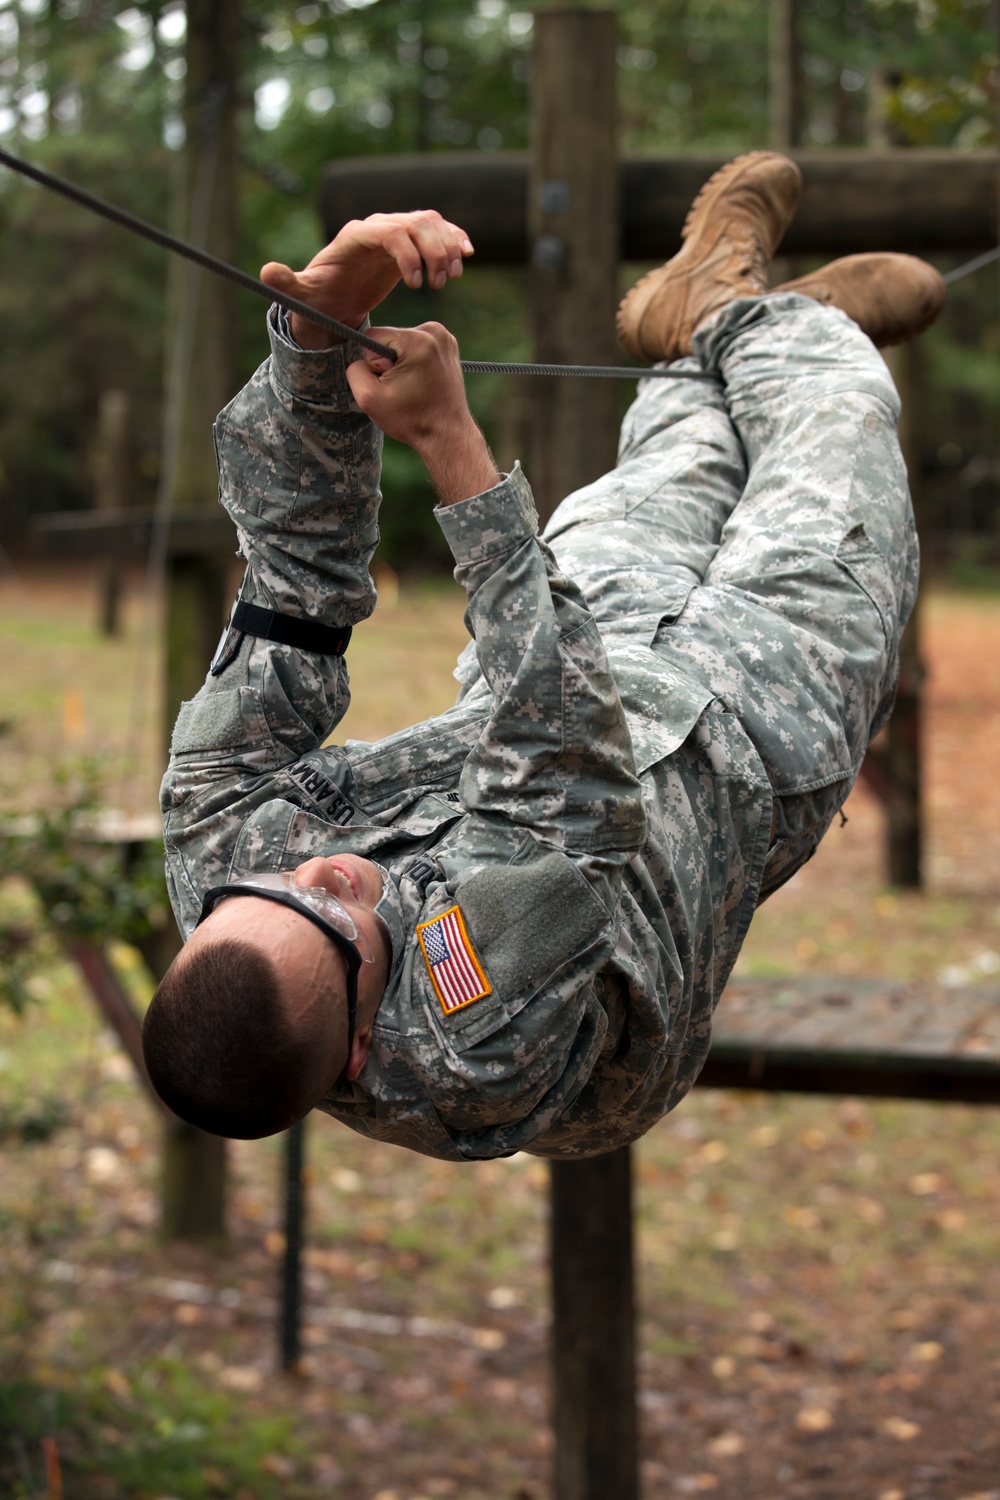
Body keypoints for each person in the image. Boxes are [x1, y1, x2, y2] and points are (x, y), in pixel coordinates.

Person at [142, 152, 945, 1160]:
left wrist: (312, 345)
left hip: (560, 636)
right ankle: (779, 326)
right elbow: (566, 770)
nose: (327, 869)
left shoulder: (220, 857)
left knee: (688, 445)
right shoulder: (471, 1048)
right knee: (840, 417)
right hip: (747, 739)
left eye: (279, 889)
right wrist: (448, 443)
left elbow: (291, 587)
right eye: (339, 913)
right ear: (356, 1051)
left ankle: (743, 321)